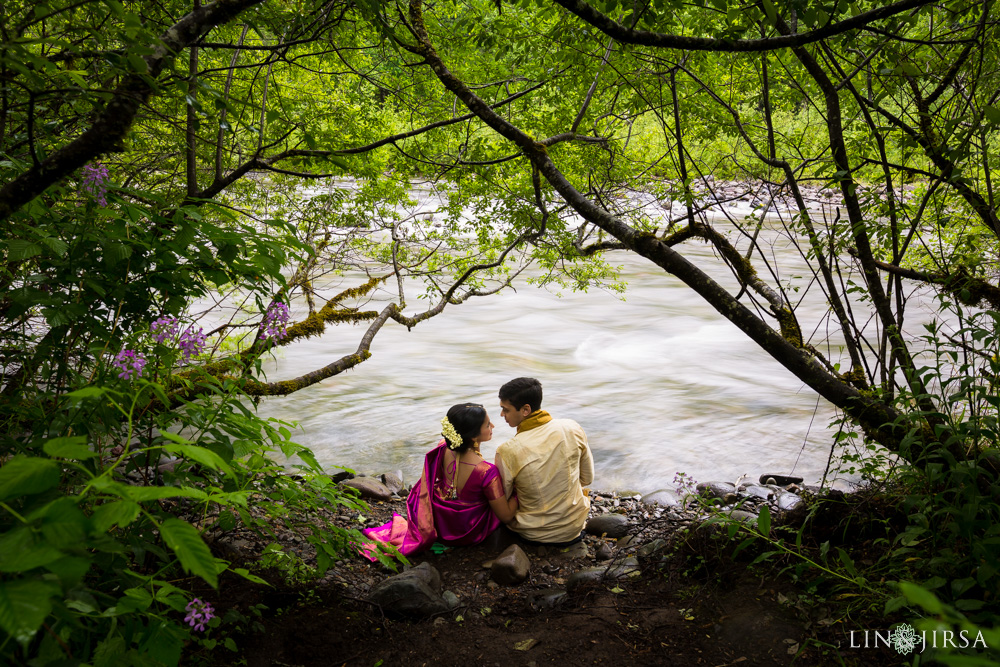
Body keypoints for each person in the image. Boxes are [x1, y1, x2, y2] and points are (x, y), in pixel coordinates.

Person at [361, 403, 518, 559]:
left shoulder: (443, 447)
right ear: (472, 436)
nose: (493, 426)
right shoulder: (486, 472)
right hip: (465, 530)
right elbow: (505, 516)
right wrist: (519, 490)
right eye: (487, 424)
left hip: (437, 521)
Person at [494, 377, 594, 546]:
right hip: (574, 526)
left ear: (525, 409)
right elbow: (587, 479)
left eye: (506, 409)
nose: (502, 414)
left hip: (534, 533)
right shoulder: (572, 428)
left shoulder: (508, 450)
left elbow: (504, 499)